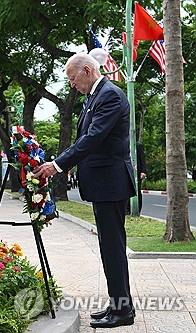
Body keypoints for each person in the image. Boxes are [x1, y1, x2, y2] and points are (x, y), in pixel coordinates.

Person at [33, 53, 136, 329]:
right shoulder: (94, 96)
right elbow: (84, 138)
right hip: (102, 183)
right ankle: (119, 304)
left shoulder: (110, 96)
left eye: (72, 78)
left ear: (87, 70)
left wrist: (56, 165)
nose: (71, 84)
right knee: (108, 247)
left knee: (113, 247)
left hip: (110, 182)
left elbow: (92, 138)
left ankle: (123, 311)